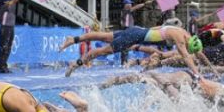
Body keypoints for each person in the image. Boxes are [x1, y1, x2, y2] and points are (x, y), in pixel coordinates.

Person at [60, 23, 203, 75]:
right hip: (135, 36)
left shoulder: (182, 31)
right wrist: (197, 74)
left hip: (137, 31)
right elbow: (185, 56)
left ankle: (73, 39)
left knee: (104, 36)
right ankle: (76, 63)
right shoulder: (179, 37)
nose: (184, 48)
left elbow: (154, 28)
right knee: (103, 51)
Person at [0, 0, 30, 73]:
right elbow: (15, 0)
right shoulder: (5, 6)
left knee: (8, 47)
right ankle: (1, 66)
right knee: (3, 47)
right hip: (5, 28)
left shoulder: (10, 6)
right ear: (5, 1)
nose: (11, 0)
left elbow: (14, 1)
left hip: (10, 28)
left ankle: (4, 65)